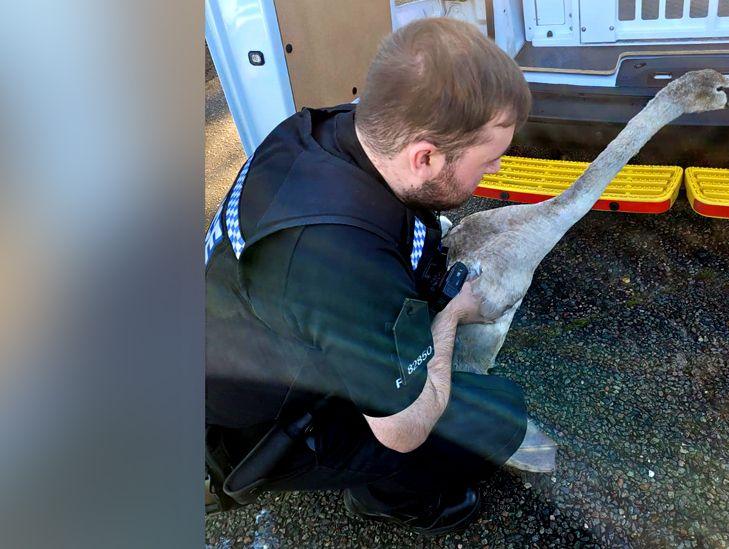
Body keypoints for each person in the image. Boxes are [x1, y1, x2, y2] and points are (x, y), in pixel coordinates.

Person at [204, 17, 532, 536]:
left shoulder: (318, 132)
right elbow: (404, 430)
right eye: (488, 161)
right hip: (264, 428)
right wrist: (450, 317)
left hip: (244, 342)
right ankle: (390, 500)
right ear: (424, 156)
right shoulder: (339, 261)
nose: (492, 173)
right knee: (499, 416)